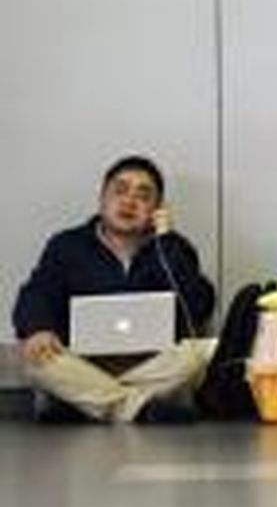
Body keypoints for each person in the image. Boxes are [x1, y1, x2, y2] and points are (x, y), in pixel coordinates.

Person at [12, 156, 216, 424]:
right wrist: (39, 328)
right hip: (83, 363)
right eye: (120, 191)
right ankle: (137, 409)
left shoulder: (173, 248)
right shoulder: (68, 245)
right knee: (32, 358)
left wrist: (165, 241)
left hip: (150, 364)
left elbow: (197, 310)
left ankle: (84, 404)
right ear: (101, 200)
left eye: (143, 196)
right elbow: (37, 293)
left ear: (157, 209)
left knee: (203, 352)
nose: (129, 201)